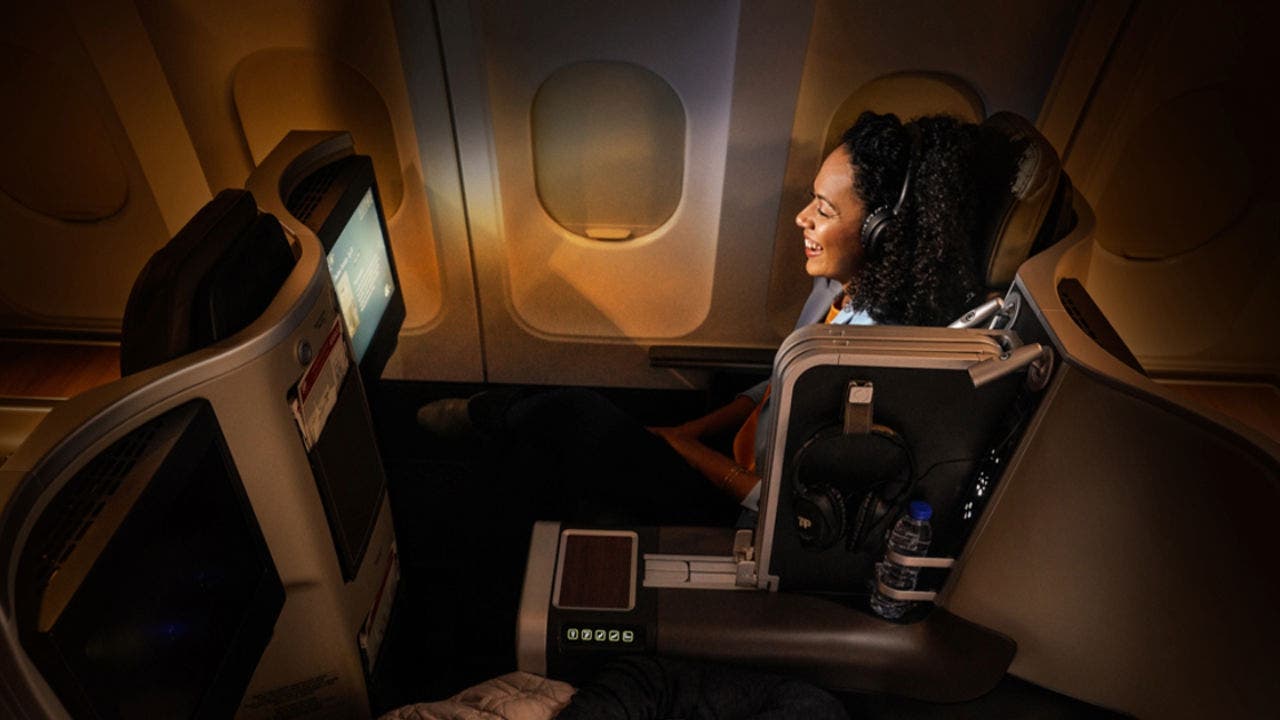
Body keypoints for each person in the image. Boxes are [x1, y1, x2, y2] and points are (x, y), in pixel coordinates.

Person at [417, 110, 984, 526]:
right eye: (812, 199)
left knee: (575, 415)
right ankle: (495, 433)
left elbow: (780, 507)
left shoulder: (871, 365)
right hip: (732, 447)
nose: (800, 218)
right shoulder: (840, 291)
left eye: (825, 209)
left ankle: (484, 420)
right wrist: (688, 431)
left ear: (884, 233)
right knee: (574, 431)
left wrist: (682, 451)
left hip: (729, 507)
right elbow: (777, 383)